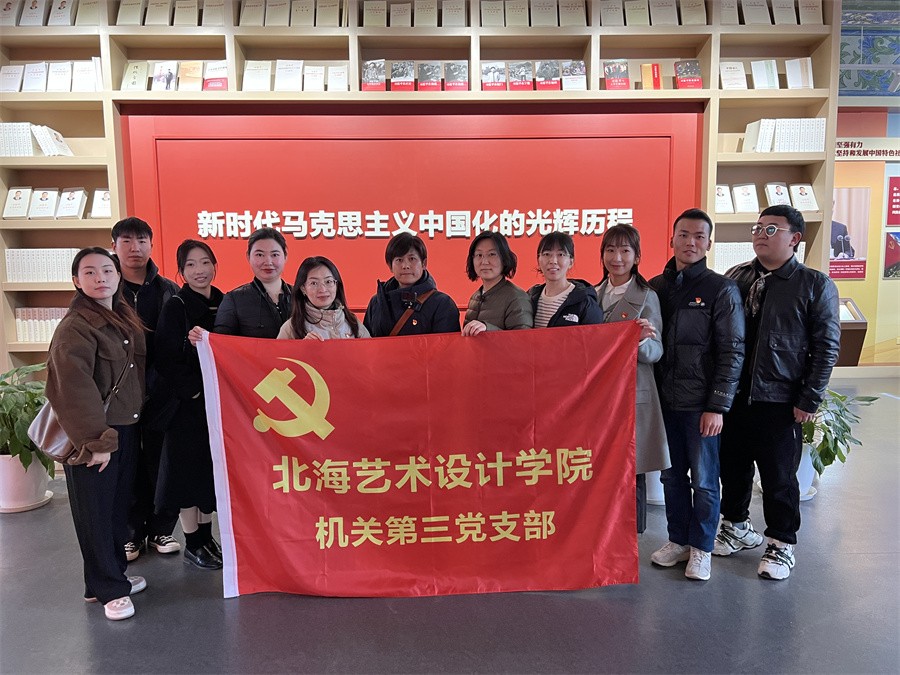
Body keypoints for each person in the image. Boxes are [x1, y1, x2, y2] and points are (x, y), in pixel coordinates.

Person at [715, 205, 840, 580]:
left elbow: (826, 347)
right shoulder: (736, 276)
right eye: (757, 228)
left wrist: (809, 398)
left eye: (771, 229)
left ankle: (781, 544)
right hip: (734, 395)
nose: (760, 234)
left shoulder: (815, 285)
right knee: (732, 468)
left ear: (795, 238)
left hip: (780, 399)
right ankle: (736, 526)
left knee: (778, 477)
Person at [46, 248, 147, 620]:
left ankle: (107, 577)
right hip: (95, 435)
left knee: (115, 509)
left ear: (118, 276)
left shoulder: (120, 315)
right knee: (96, 514)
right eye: (89, 272)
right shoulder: (75, 327)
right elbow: (73, 390)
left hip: (123, 429)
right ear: (76, 280)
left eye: (107, 270)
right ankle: (109, 589)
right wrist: (95, 443)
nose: (100, 277)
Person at [648, 208, 745, 581]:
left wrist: (717, 405)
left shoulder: (721, 289)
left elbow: (732, 351)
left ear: (709, 243)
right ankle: (678, 540)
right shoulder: (656, 287)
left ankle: (702, 547)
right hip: (664, 402)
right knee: (671, 478)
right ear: (671, 239)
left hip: (701, 406)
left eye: (699, 236)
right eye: (684, 235)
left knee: (704, 480)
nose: (691, 242)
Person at [112, 217, 181, 562]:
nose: (135, 248)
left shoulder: (169, 290)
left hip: (160, 392)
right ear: (114, 246)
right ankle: (130, 533)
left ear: (152, 245)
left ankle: (162, 529)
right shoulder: (107, 290)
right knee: (126, 462)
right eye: (126, 240)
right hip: (119, 393)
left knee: (162, 460)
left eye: (141, 240)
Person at [154, 240, 225, 570]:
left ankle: (206, 537)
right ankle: (192, 541)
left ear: (215, 266)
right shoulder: (176, 306)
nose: (200, 270)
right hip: (187, 406)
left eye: (205, 262)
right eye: (191, 265)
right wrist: (194, 391)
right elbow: (165, 358)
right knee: (185, 475)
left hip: (218, 404)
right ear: (181, 271)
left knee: (209, 473)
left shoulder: (224, 302)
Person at [595, 225, 669, 534]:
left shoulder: (647, 296)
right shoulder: (593, 294)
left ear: (637, 256)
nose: (617, 258)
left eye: (625, 251)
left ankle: (630, 538)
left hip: (631, 393)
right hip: (599, 396)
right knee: (601, 469)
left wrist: (637, 342)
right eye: (610, 250)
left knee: (631, 469)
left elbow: (656, 351)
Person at [363, 233, 460, 336]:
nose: (405, 266)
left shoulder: (442, 304)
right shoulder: (377, 302)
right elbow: (366, 341)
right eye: (399, 260)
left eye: (412, 259)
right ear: (390, 266)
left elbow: (448, 344)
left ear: (424, 264)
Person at [214, 227, 291, 338]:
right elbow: (220, 342)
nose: (268, 262)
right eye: (259, 255)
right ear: (248, 256)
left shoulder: (301, 297)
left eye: (274, 255)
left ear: (285, 256)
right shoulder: (234, 299)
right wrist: (201, 339)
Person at [278, 256, 370, 340]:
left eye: (328, 281)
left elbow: (370, 351)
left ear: (336, 285)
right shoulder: (291, 328)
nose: (322, 289)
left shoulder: (353, 322)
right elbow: (278, 353)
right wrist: (302, 348)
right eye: (314, 283)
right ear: (303, 288)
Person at [462, 231, 532, 336]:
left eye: (492, 254)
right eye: (479, 255)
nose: (484, 262)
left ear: (504, 258)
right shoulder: (475, 297)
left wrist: (487, 329)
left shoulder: (517, 298)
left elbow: (522, 340)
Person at [527, 231, 603, 328]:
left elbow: (595, 336)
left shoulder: (584, 300)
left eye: (561, 254)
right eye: (547, 254)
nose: (553, 261)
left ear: (571, 262)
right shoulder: (530, 298)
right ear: (538, 260)